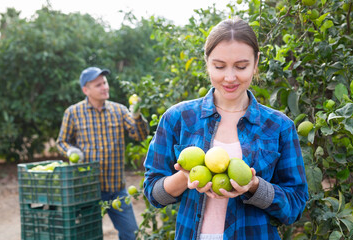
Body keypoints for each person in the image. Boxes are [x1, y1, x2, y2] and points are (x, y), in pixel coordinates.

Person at [143, 18, 308, 240]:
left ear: (256, 62)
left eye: (241, 66)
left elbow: (295, 205)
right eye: (219, 66)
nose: (230, 77)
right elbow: (153, 194)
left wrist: (254, 186)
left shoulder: (279, 126)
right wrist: (184, 177)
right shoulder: (178, 118)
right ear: (207, 62)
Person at [56, 66, 149, 240]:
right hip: (88, 190)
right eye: (98, 85)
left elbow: (140, 135)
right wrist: (71, 151)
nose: (104, 87)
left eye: (105, 83)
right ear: (86, 90)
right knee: (89, 235)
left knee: (132, 234)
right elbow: (61, 142)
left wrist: (136, 115)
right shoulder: (73, 113)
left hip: (117, 189)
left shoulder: (119, 110)